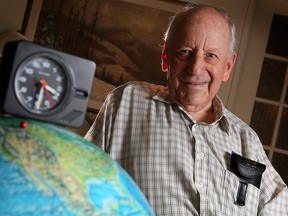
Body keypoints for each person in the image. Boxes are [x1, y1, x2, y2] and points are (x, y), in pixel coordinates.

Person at [85, 4, 288, 215]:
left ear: (227, 67)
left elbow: (281, 205)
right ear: (166, 57)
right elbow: (79, 179)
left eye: (211, 56)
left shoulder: (246, 140)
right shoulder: (127, 101)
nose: (195, 68)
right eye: (185, 52)